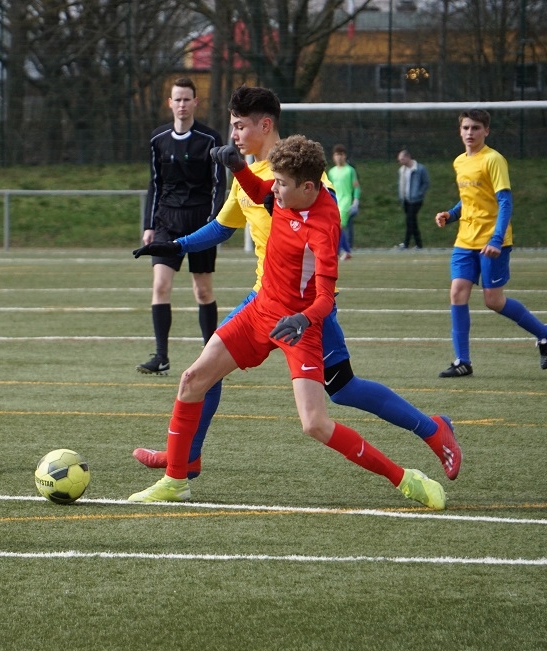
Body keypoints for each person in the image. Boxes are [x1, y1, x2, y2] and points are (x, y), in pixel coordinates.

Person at [132, 85, 460, 487]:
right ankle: (185, 458)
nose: (233, 134)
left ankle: (432, 429)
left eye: (239, 126)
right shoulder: (252, 172)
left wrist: (316, 300)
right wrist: (176, 245)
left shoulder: (301, 174)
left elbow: (322, 218)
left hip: (305, 307)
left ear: (265, 125)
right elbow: (222, 227)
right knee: (206, 371)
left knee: (343, 388)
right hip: (263, 297)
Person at [435, 109, 547, 377]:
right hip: (465, 239)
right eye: (466, 128)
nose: (470, 133)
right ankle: (462, 361)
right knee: (457, 293)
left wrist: (497, 239)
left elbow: (504, 201)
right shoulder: (459, 162)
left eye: (476, 128)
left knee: (493, 301)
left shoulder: (494, 159)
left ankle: (543, 334)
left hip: (492, 241)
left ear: (486, 130)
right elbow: (471, 198)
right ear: (459, 130)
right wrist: (452, 214)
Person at [137, 76, 226, 375]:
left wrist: (214, 221)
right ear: (170, 103)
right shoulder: (157, 139)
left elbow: (219, 184)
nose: (182, 104)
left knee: (202, 291)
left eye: (187, 99)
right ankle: (161, 357)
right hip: (167, 221)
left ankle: (209, 358)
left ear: (195, 102)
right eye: (177, 99)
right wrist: (149, 225)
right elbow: (155, 183)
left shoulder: (210, 139)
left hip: (200, 222)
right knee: (160, 285)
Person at [327, 144, 360, 261]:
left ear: (345, 156)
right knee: (337, 227)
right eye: (337, 155)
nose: (339, 157)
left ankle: (338, 252)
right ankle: (346, 251)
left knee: (339, 226)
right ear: (333, 157)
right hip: (335, 202)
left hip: (346, 202)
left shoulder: (350, 170)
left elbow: (356, 187)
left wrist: (356, 200)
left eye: (341, 154)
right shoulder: (331, 172)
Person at [397, 148, 429, 249]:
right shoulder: (402, 170)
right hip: (406, 199)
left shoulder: (419, 169)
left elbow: (426, 183)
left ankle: (406, 243)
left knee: (410, 220)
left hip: (416, 200)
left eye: (402, 159)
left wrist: (419, 193)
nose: (400, 162)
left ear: (407, 157)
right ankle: (418, 244)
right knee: (412, 221)